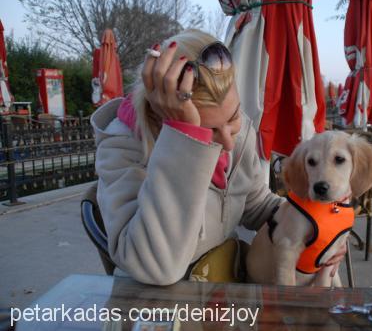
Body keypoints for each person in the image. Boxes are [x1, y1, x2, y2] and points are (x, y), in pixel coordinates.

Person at [91, 29, 346, 286]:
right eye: (209, 130)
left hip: (223, 285)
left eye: (233, 117)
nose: (228, 141)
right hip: (163, 306)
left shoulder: (239, 129)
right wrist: (184, 140)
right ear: (163, 116)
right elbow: (158, 267)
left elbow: (255, 203)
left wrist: (315, 227)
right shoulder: (122, 147)